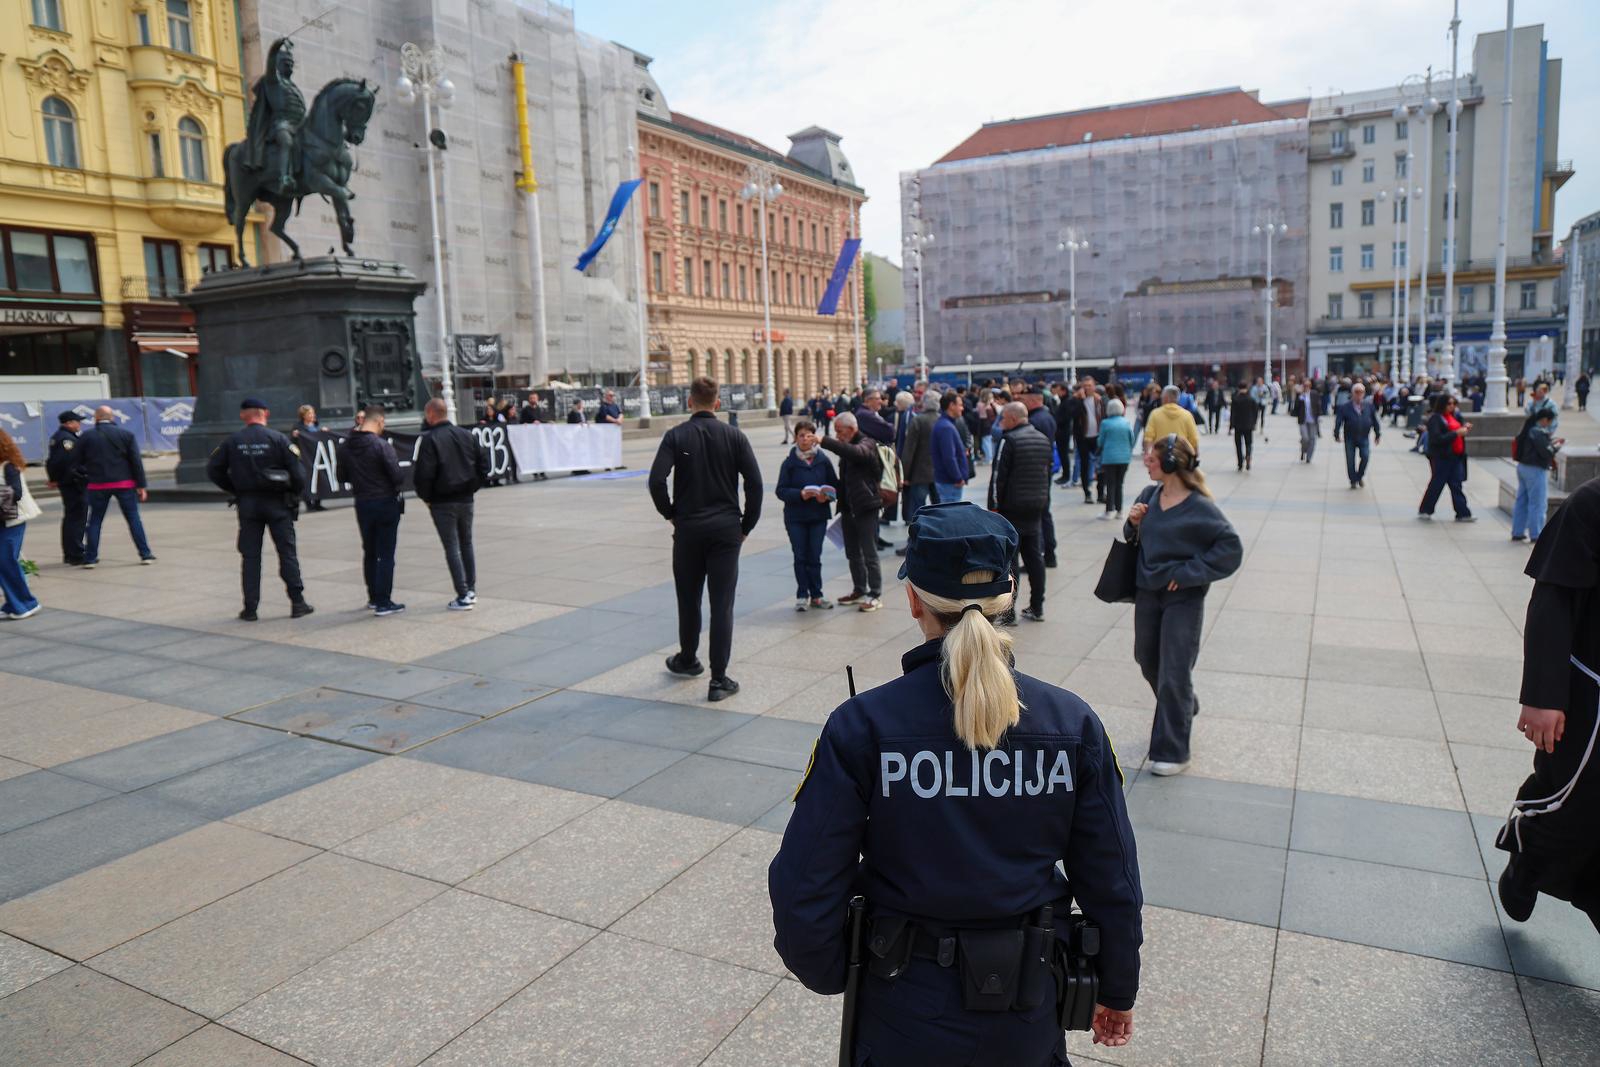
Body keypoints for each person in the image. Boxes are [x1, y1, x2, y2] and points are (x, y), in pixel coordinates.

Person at [768, 501, 1145, 1065]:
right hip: (1027, 1007)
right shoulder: (1072, 723)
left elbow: (806, 881)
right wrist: (1116, 986)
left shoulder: (864, 725)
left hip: (902, 1004)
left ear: (914, 599)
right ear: (1009, 594)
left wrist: (830, 969)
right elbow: (1111, 876)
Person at [1496, 476, 1600, 934]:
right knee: (1575, 809)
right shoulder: (1591, 503)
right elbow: (1552, 598)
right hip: (1591, 694)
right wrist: (1544, 695)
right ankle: (1529, 855)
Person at [1125, 434, 1243, 776]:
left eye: (1153, 458)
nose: (1147, 462)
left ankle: (1173, 751)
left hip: (1183, 598)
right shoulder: (1149, 496)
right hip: (1148, 591)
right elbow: (1135, 540)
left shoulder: (1200, 507)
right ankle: (1184, 704)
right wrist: (1133, 523)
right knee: (1147, 659)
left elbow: (1230, 548)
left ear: (1172, 464)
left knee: (1174, 671)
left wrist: (1191, 573)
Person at [648, 376, 762, 701]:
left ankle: (687, 658)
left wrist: (670, 513)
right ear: (717, 403)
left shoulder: (676, 435)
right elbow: (754, 483)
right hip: (726, 530)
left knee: (688, 597)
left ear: (689, 402)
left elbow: (656, 480)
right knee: (721, 604)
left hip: (688, 530)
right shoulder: (734, 436)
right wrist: (746, 525)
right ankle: (719, 679)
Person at [206, 398, 314, 621]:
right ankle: (297, 603)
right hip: (278, 504)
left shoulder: (232, 441)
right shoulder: (278, 439)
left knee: (250, 557)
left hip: (248, 505)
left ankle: (250, 608)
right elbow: (299, 474)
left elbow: (214, 470)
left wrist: (235, 488)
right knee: (287, 553)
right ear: (266, 413)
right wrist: (293, 493)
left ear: (243, 416)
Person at [414, 397, 489, 611]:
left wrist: (427, 497)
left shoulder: (430, 439)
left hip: (442, 500)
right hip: (465, 498)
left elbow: (424, 474)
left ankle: (463, 594)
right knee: (466, 543)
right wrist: (472, 486)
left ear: (430, 414)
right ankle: (470, 589)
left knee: (452, 547)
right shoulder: (466, 435)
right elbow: (483, 464)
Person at [338, 403, 407, 615]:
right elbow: (397, 476)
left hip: (362, 503)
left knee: (370, 551)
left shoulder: (346, 446)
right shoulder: (381, 446)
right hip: (385, 502)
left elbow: (341, 477)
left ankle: (373, 597)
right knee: (386, 554)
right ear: (379, 421)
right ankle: (384, 601)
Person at [988, 402, 1051, 621]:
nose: (1001, 423)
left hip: (1012, 508)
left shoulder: (1009, 440)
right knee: (1034, 558)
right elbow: (1046, 474)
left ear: (1013, 419)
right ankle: (1037, 606)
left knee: (1010, 561)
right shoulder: (1043, 439)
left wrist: (993, 507)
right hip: (1036, 505)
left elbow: (998, 476)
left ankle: (1008, 612)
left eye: (1003, 418)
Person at [74, 406, 155, 569]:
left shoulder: (86, 437)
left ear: (96, 418)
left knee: (95, 520)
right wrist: (141, 485)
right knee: (133, 518)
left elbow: (76, 462)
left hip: (97, 485)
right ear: (112, 418)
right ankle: (145, 554)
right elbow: (136, 462)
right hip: (124, 483)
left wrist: (89, 473)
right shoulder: (126, 435)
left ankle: (90, 558)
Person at [820, 411, 885, 612]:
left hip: (866, 508)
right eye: (835, 432)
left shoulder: (867, 443)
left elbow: (856, 453)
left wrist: (825, 441)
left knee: (869, 553)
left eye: (839, 431)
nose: (838, 435)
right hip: (849, 509)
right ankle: (859, 589)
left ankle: (875, 594)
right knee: (853, 554)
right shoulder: (848, 447)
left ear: (851, 429)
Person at [775, 420, 838, 611]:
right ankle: (802, 594)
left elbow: (835, 486)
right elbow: (781, 490)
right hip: (796, 517)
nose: (804, 439)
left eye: (809, 435)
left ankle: (817, 595)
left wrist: (826, 496)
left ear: (814, 438)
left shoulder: (823, 460)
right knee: (800, 555)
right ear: (796, 438)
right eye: (801, 435)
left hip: (818, 516)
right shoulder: (789, 463)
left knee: (815, 556)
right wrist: (800, 494)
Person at [0, 428, 41, 620]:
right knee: (5, 563)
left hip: (12, 520)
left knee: (5, 561)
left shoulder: (8, 466)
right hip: (4, 520)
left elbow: (16, 492)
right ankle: (15, 603)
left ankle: (26, 604)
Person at [1417, 393, 1474, 522]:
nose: (1452, 406)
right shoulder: (1436, 419)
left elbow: (1455, 431)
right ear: (1442, 404)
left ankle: (1463, 512)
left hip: (1454, 457)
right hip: (1442, 457)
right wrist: (1456, 433)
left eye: (1454, 403)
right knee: (1437, 484)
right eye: (1449, 403)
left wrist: (1463, 429)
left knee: (1456, 485)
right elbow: (1437, 439)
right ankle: (1425, 509)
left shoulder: (1453, 417)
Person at [1511, 409, 1561, 543]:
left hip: (1523, 467)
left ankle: (1517, 531)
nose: (1549, 424)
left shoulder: (1528, 429)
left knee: (1522, 500)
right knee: (1537, 503)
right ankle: (1536, 534)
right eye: (1549, 421)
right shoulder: (1537, 432)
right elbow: (1546, 452)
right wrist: (1557, 446)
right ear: (1545, 419)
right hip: (1535, 469)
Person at [897, 392, 940, 545]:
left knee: (918, 511)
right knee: (941, 510)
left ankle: (915, 542)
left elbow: (909, 450)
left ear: (923, 404)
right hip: (939, 474)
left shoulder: (918, 421)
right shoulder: (943, 420)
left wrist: (904, 474)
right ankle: (940, 539)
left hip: (919, 473)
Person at [44, 411, 87, 565]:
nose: (79, 425)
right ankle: (76, 553)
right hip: (73, 484)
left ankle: (71, 552)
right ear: (69, 423)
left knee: (71, 517)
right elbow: (61, 462)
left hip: (68, 482)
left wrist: (54, 478)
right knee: (77, 518)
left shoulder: (60, 437)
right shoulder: (66, 439)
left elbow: (51, 462)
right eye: (77, 422)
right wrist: (57, 478)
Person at [1333, 381, 1382, 489]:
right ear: (1352, 393)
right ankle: (1353, 480)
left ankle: (1359, 476)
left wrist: (1377, 434)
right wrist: (1336, 434)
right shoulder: (1345, 407)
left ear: (1364, 393)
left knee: (1365, 456)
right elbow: (1338, 421)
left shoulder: (1369, 406)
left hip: (1364, 437)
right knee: (1350, 460)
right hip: (1350, 437)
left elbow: (1375, 420)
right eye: (1356, 392)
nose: (1359, 394)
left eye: (1361, 392)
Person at [1097, 398, 1137, 520]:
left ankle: (1109, 510)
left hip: (1109, 458)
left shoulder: (1105, 423)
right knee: (1120, 484)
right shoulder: (1126, 423)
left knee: (1110, 484)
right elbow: (1132, 439)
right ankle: (1120, 511)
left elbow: (1100, 442)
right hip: (1124, 458)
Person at [931, 391, 969, 504]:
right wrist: (957, 477)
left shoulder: (945, 424)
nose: (962, 408)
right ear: (951, 406)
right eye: (960, 405)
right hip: (949, 482)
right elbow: (949, 457)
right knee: (951, 516)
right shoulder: (946, 427)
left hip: (947, 480)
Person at [1141, 385, 1199, 455]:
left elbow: (1148, 437)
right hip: (1181, 457)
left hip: (1160, 456)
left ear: (1166, 398)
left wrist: (1147, 454)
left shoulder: (1155, 414)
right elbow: (1194, 440)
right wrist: (1195, 455)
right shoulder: (1187, 415)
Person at [290, 404, 325, 511]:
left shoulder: (317, 426)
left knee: (320, 479)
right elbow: (292, 443)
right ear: (303, 415)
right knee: (307, 480)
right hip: (305, 458)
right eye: (309, 413)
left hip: (317, 457)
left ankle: (318, 502)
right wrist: (295, 436)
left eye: (312, 413)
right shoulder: (298, 428)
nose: (312, 415)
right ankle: (309, 503)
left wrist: (324, 432)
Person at [1229, 381, 1258, 471]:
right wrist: (1254, 422)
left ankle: (1240, 463)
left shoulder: (1235, 399)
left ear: (1238, 388)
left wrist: (1231, 425)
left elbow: (1232, 413)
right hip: (1248, 425)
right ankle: (1248, 455)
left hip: (1238, 425)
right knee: (1248, 443)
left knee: (1238, 444)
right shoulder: (1251, 399)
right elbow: (1255, 412)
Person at [1291, 382, 1319, 463]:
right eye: (1305, 386)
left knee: (1312, 438)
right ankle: (1303, 450)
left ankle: (1309, 457)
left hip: (1312, 420)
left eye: (1308, 386)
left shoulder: (1314, 394)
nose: (1306, 387)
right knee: (1305, 438)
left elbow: (1317, 405)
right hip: (1303, 420)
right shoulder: (1300, 395)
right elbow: (1295, 408)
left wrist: (1318, 415)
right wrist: (1298, 396)